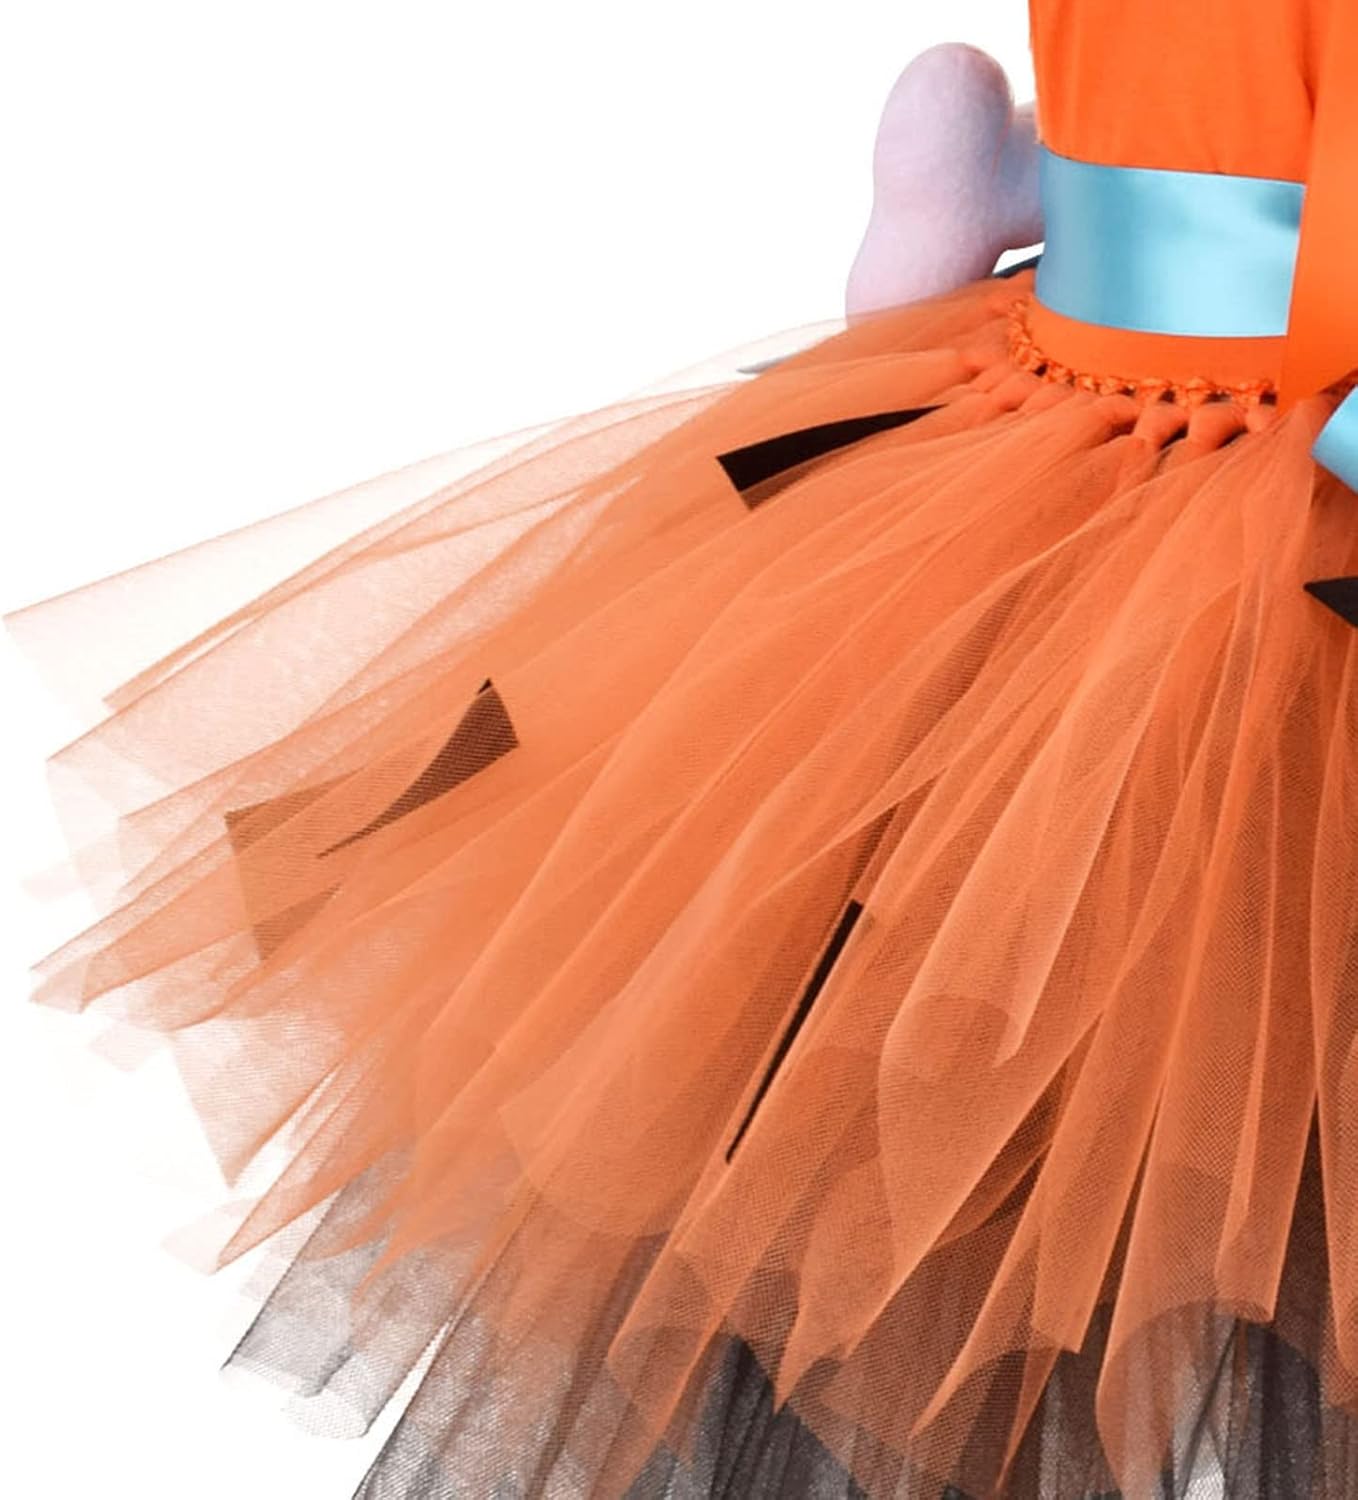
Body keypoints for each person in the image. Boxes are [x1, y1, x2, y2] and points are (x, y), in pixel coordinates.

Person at [7, 1, 1358, 1496]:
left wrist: (990, 209)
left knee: (1001, 1044)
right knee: (1034, 1042)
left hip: (1092, 447)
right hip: (1164, 470)